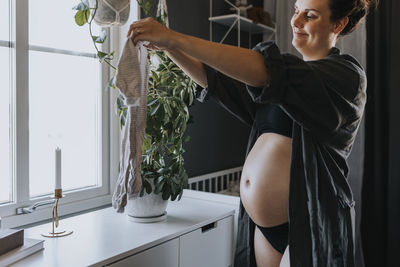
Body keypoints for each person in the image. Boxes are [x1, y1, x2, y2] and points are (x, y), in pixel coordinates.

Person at [127, 0, 377, 266]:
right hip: (264, 230)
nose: (296, 21)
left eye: (310, 15)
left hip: (308, 227)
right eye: (295, 11)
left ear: (338, 24)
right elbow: (218, 82)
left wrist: (174, 37)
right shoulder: (278, 82)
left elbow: (266, 72)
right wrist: (170, 47)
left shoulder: (346, 76)